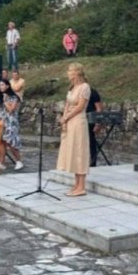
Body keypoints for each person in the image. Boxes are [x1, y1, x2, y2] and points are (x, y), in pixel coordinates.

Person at [56, 63, 91, 196]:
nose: (68, 73)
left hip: (78, 121)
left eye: (70, 70)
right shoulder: (72, 87)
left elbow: (80, 107)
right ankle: (76, 184)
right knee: (72, 151)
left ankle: (81, 187)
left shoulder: (84, 87)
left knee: (79, 152)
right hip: (70, 121)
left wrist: (67, 117)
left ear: (77, 72)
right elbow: (67, 104)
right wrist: (64, 119)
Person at [0, 78, 24, 171]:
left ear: (7, 86)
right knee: (2, 142)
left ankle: (19, 161)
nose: (1, 87)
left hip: (11, 123)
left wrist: (5, 100)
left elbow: (11, 110)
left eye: (2, 85)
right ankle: (1, 162)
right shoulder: (0, 97)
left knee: (10, 142)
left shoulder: (14, 97)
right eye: (0, 85)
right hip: (1, 122)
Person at [85, 87, 105, 167]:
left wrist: (98, 123)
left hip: (90, 120)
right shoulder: (75, 91)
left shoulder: (92, 92)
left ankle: (92, 162)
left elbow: (99, 108)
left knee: (91, 141)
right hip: (79, 120)